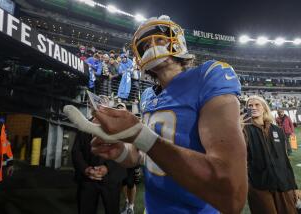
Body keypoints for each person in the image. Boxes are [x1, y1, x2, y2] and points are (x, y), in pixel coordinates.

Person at [64, 15, 247, 213]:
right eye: (144, 46)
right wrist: (122, 152)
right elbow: (144, 156)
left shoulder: (209, 75)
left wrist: (138, 134)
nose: (151, 46)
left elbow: (231, 193)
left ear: (178, 42)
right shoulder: (148, 95)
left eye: (158, 39)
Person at [243, 96, 298, 213]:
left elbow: (285, 160)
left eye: (257, 105)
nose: (253, 107)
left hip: (283, 184)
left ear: (264, 108)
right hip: (259, 186)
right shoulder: (244, 130)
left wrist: (294, 187)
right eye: (250, 106)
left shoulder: (277, 130)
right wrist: (236, 128)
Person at [72, 127, 126, 214]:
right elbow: (76, 151)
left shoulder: (119, 126)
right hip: (87, 178)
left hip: (111, 178)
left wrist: (107, 167)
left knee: (112, 210)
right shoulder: (84, 126)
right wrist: (86, 169)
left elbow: (124, 151)